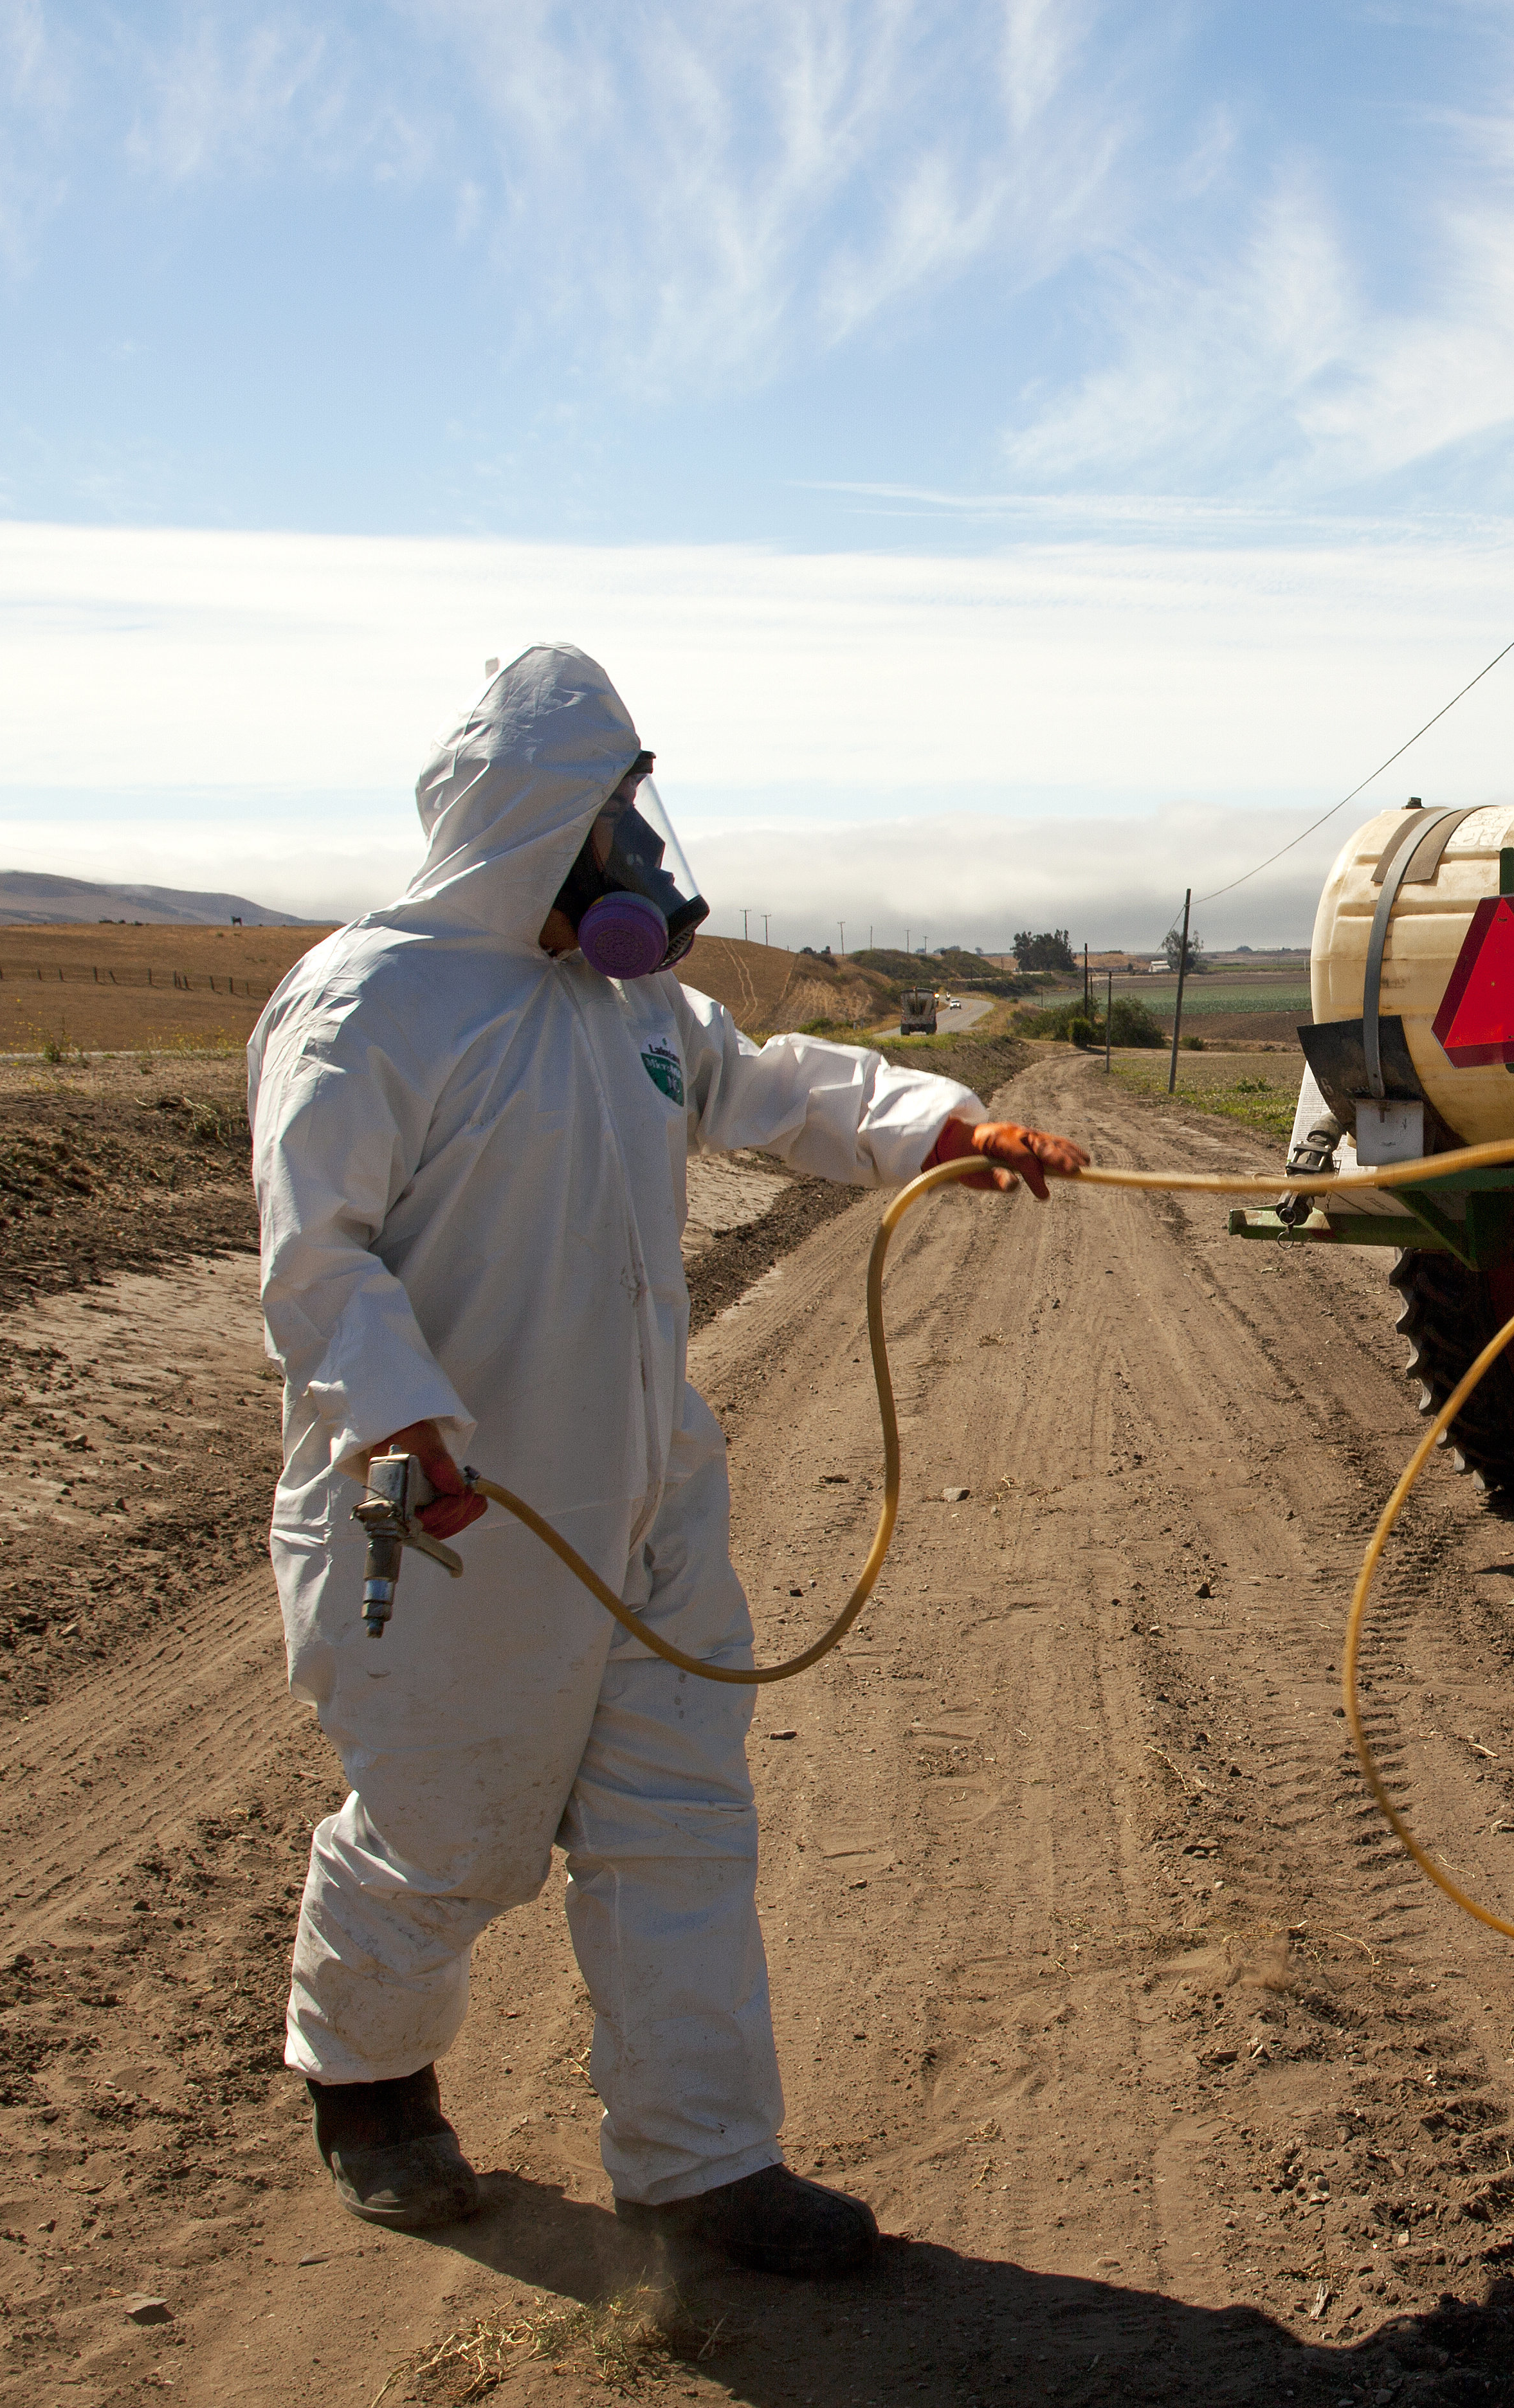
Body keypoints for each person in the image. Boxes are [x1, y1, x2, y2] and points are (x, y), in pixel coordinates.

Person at [244, 644, 1088, 2276]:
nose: (640, 850)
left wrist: (943, 1129)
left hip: (643, 1497)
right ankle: (368, 2088)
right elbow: (316, 1252)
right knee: (449, 1832)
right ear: (530, 824)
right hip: (446, 1511)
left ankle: (702, 2169)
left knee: (681, 1824)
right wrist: (400, 1407)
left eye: (640, 810)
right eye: (611, 812)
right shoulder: (370, 1001)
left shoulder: (635, 1009)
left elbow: (776, 1089)